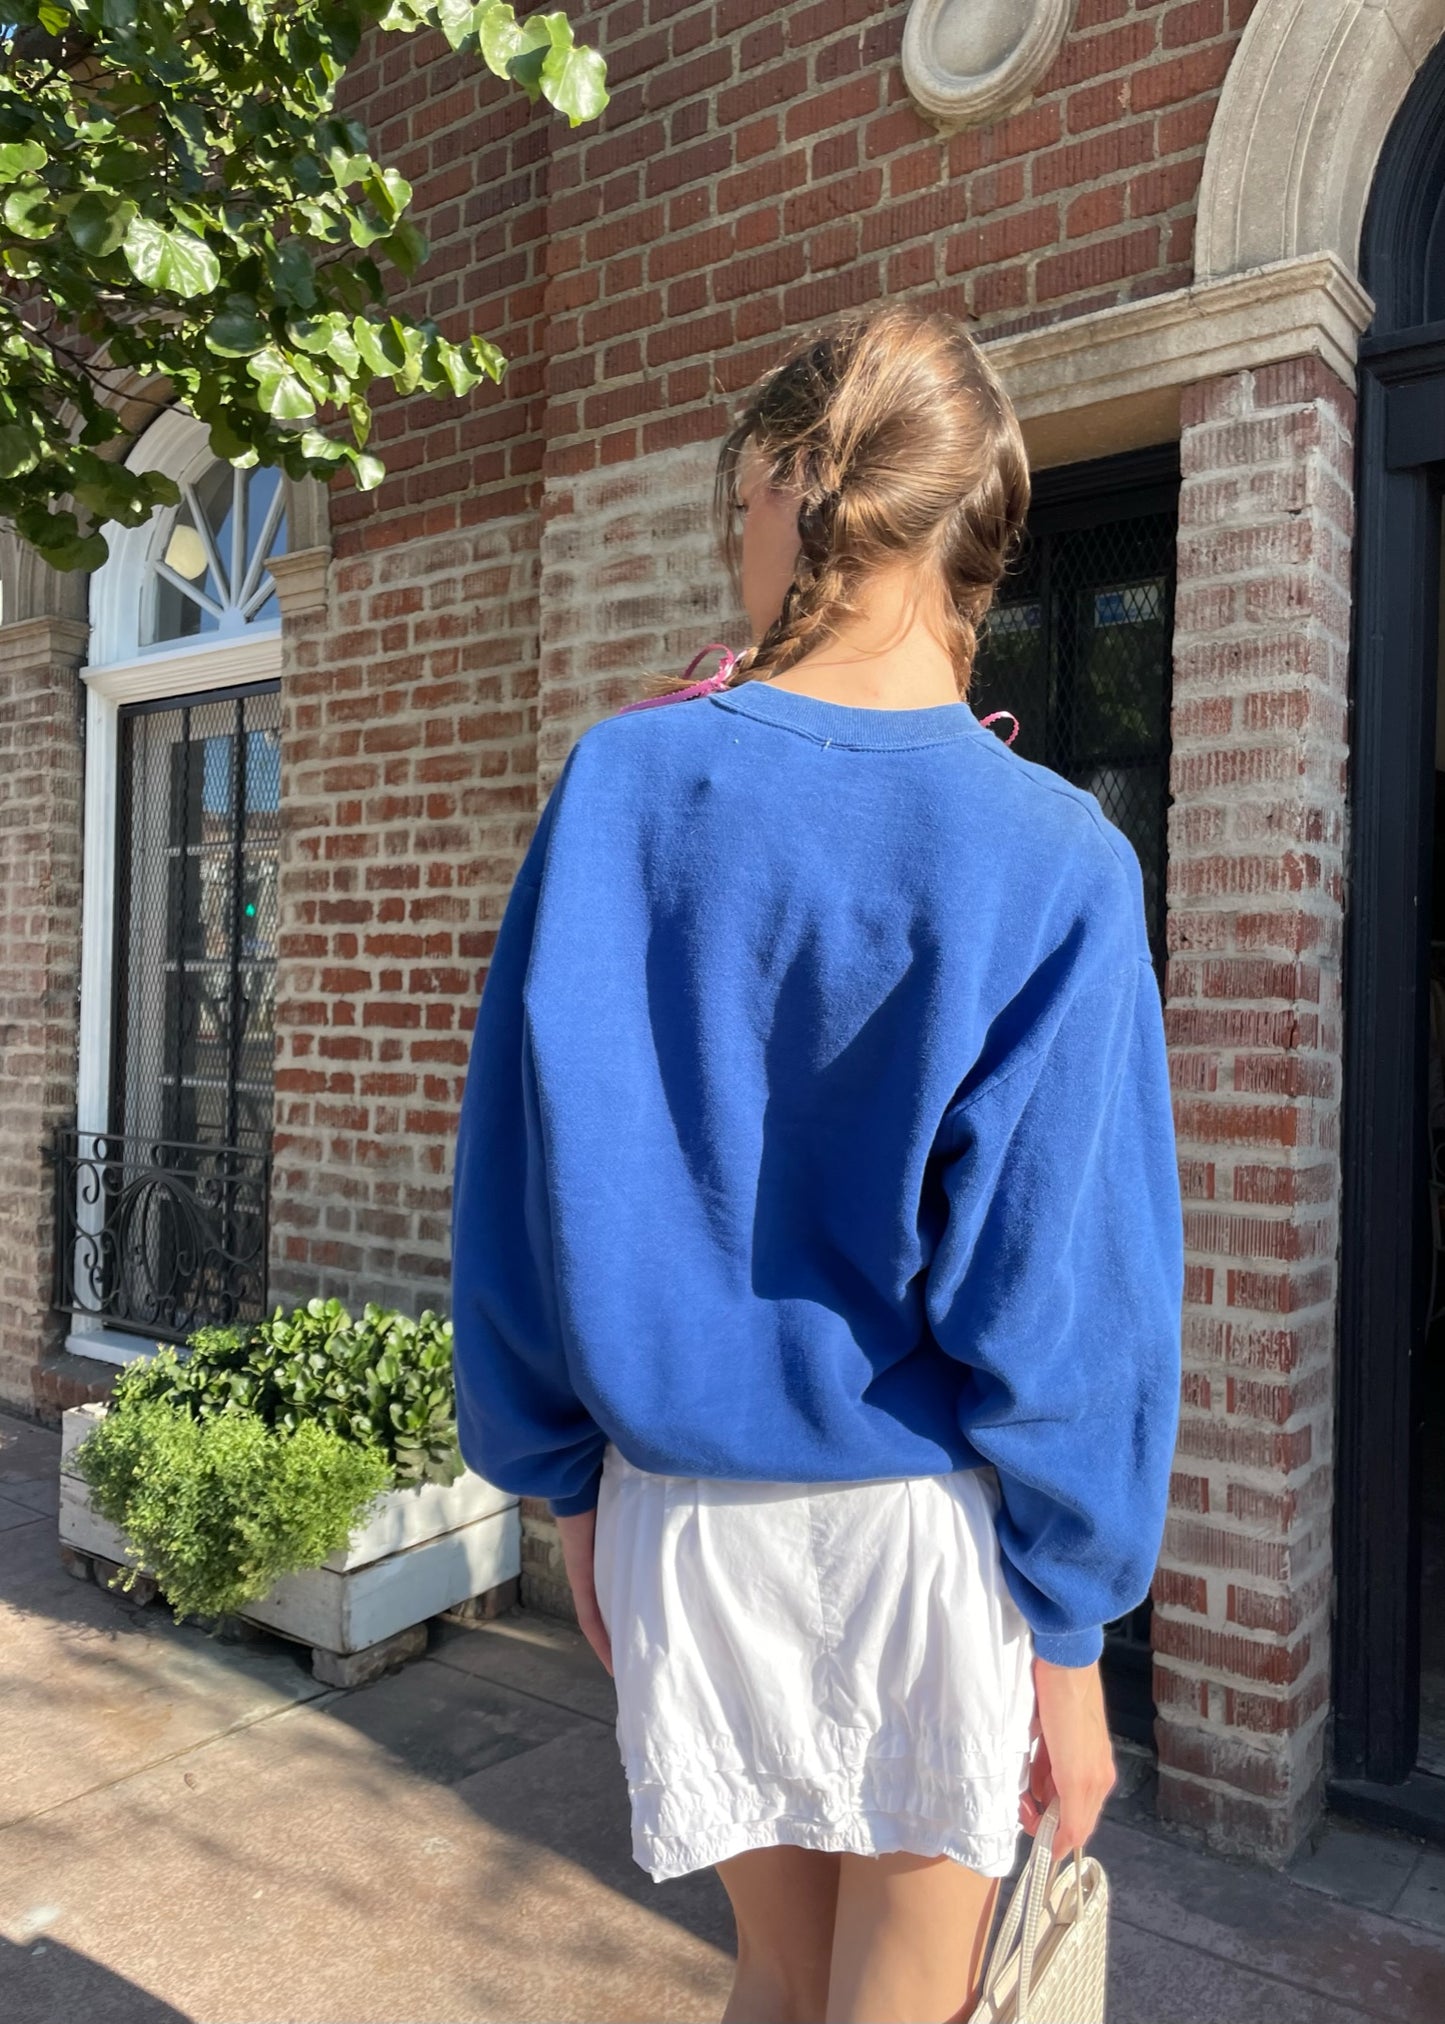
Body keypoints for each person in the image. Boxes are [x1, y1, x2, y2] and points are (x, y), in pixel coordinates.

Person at [450, 300, 1185, 2024]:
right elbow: (1063, 1291)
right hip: (921, 1537)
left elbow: (519, 1186)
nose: (734, 551)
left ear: (794, 481)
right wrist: (1069, 1638)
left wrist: (564, 1478)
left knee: (776, 1981)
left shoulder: (621, 784)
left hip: (682, 1522)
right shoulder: (1053, 855)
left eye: (735, 509)